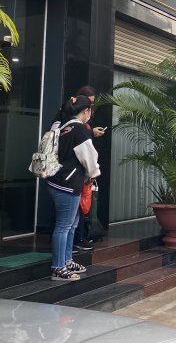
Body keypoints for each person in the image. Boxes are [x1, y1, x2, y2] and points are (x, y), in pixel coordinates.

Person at [47, 95, 101, 281]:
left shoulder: (65, 126)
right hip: (68, 185)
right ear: (86, 111)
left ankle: (67, 260)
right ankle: (58, 267)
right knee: (64, 226)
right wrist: (93, 174)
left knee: (71, 225)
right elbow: (90, 158)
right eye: (90, 111)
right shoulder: (79, 129)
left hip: (57, 181)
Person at [70, 85, 108, 252]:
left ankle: (70, 251)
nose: (90, 110)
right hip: (72, 177)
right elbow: (87, 154)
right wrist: (92, 173)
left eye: (92, 105)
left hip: (71, 177)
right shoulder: (76, 126)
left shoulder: (76, 126)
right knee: (68, 222)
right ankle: (67, 253)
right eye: (89, 106)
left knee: (72, 219)